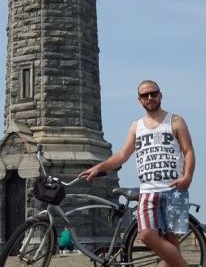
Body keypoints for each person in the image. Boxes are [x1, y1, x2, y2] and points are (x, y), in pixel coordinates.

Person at [79, 80, 195, 267]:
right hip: (148, 191)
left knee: (171, 242)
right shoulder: (136, 126)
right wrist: (99, 167)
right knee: (147, 235)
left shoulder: (176, 121)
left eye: (153, 93)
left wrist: (188, 176)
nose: (149, 97)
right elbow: (122, 155)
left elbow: (188, 151)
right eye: (144, 95)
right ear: (139, 100)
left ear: (160, 95)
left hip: (174, 189)